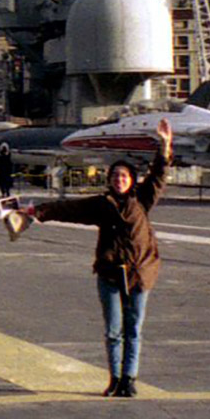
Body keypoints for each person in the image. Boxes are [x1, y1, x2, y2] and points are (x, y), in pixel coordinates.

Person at [18, 119, 173, 398]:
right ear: (109, 180)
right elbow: (68, 209)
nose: (119, 180)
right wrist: (35, 211)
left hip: (139, 274)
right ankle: (114, 378)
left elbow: (159, 175)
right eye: (115, 176)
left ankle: (129, 379)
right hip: (110, 274)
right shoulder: (101, 205)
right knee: (114, 331)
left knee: (133, 329)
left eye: (124, 176)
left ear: (132, 180)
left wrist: (164, 145)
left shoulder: (143, 200)